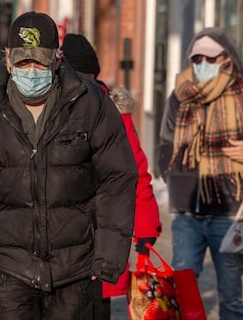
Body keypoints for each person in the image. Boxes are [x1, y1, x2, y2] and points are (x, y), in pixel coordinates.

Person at [0, 12, 138, 319]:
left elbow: (117, 179)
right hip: (10, 263)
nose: (31, 71)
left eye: (39, 62)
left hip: (75, 265)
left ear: (57, 60)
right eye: (22, 62)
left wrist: (109, 256)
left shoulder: (90, 104)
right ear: (8, 60)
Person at [157, 27, 243, 319]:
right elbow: (166, 144)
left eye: (210, 58)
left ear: (227, 58)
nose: (202, 65)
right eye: (196, 59)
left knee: (231, 297)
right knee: (182, 292)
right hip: (187, 214)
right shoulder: (180, 97)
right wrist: (175, 178)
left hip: (229, 214)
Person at [61, 33, 163, 319]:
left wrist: (144, 227)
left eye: (88, 77)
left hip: (100, 240)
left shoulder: (115, 115)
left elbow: (135, 173)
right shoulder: (47, 111)